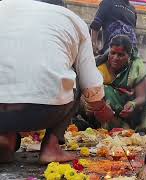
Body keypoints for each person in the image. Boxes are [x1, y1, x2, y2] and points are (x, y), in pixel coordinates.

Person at [0, 0, 112, 163]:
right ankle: (51, 147)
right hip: (44, 109)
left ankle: (4, 138)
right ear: (61, 6)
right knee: (78, 73)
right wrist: (101, 107)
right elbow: (91, 85)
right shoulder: (72, 19)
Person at [95, 35, 146, 131]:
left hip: (131, 105)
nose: (115, 58)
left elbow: (142, 96)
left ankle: (143, 130)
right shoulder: (100, 66)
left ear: (129, 56)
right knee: (106, 90)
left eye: (121, 55)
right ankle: (117, 127)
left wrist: (133, 103)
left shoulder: (136, 67)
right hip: (107, 105)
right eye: (112, 53)